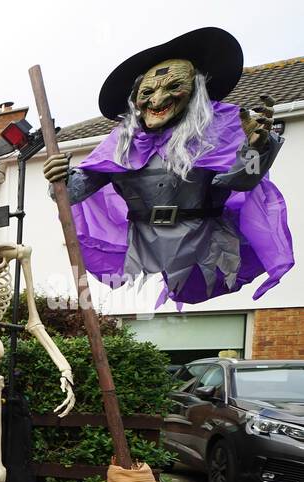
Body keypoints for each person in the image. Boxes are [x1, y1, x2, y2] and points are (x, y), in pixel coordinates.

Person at [42, 26, 290, 305]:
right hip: (144, 243)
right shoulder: (120, 142)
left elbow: (242, 182)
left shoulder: (221, 129)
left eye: (173, 87)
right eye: (148, 91)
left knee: (201, 282)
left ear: (195, 90)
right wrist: (59, 180)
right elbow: (73, 192)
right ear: (136, 98)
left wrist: (257, 149)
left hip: (202, 241)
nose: (157, 100)